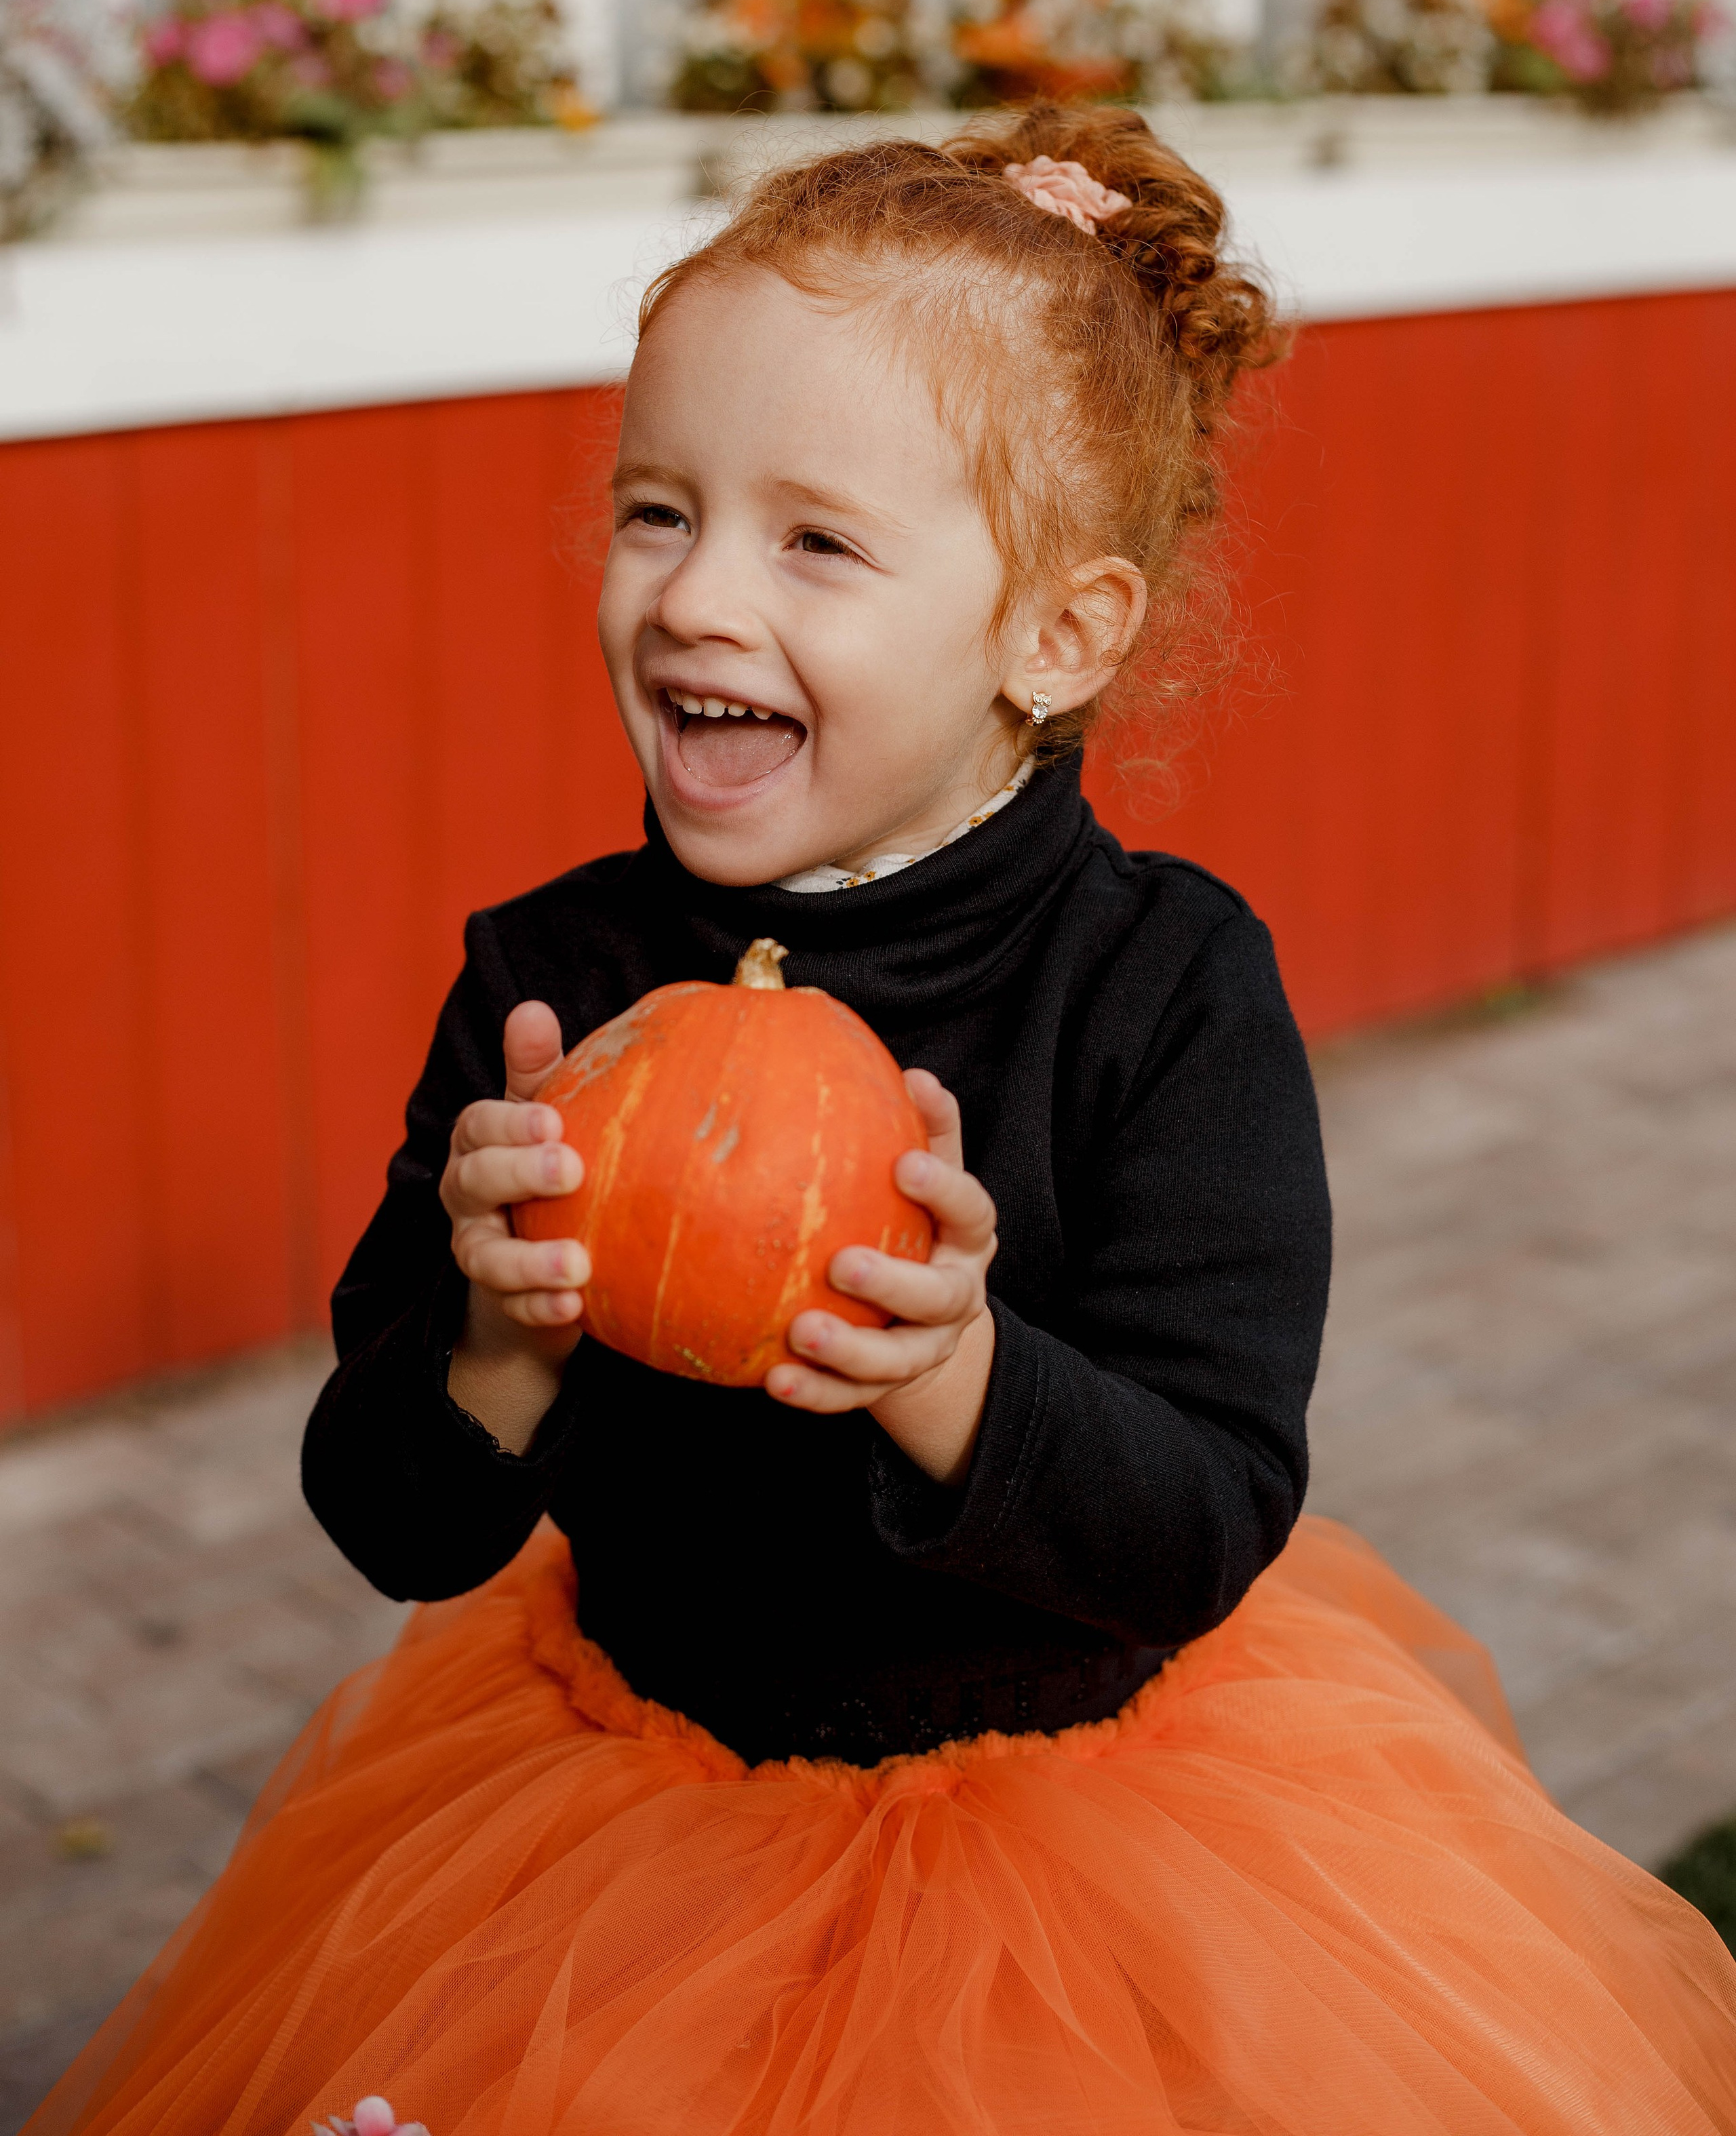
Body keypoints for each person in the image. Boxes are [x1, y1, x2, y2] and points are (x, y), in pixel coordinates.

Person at [33, 111, 1736, 2136]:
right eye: (658, 511)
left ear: (1057, 636)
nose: (694, 597)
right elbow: (394, 1523)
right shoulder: (550, 987)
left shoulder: (1159, 992)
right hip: (622, 1839)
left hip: (1077, 1870)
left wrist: (962, 1377)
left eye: (813, 541)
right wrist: (494, 1343)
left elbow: (1200, 1523)